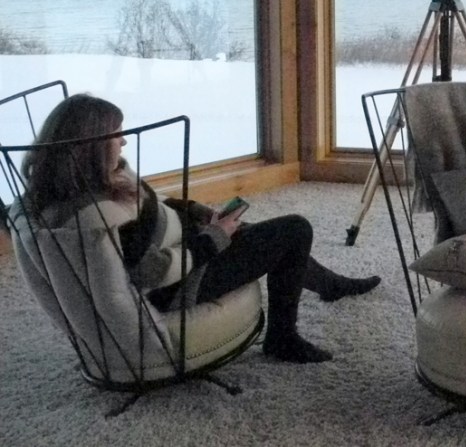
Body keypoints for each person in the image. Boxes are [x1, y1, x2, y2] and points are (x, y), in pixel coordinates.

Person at [18, 93, 380, 364]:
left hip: (184, 248)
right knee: (294, 230)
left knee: (252, 230)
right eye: (117, 134)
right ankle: (282, 338)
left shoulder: (82, 185)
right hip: (180, 286)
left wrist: (193, 211)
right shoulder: (95, 215)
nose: (124, 140)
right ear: (91, 147)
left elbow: (150, 206)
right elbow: (151, 272)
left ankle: (329, 285)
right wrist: (213, 239)